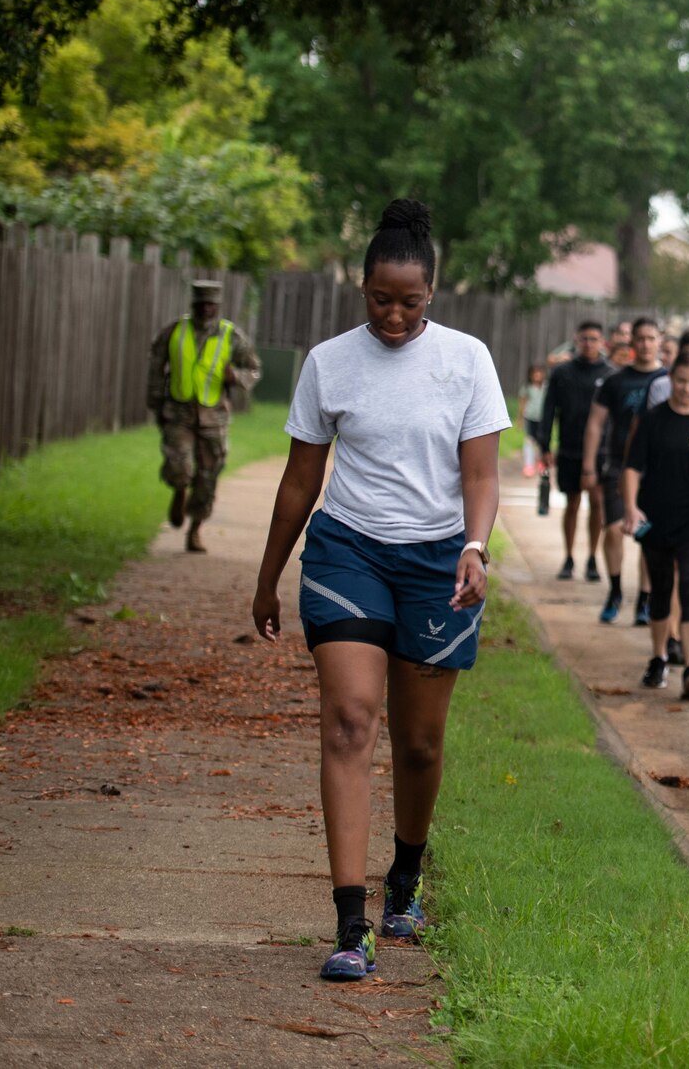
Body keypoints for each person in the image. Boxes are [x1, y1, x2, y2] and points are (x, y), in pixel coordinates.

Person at [249, 198, 506, 982]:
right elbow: (301, 477)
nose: (394, 315)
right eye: (380, 299)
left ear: (433, 292)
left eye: (410, 302)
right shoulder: (330, 361)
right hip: (347, 551)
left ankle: (407, 877)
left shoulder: (468, 359)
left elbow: (481, 473)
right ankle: (350, 921)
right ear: (361, 287)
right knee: (350, 723)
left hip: (437, 563)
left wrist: (473, 545)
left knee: (419, 743)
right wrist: (268, 576)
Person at [622, 351, 689, 696]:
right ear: (671, 379)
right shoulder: (653, 419)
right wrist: (631, 507)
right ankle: (658, 658)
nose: (686, 388)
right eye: (680, 381)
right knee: (661, 590)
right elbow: (632, 467)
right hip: (656, 518)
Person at [148, 279, 262, 552]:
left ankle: (195, 529)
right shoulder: (174, 331)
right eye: (201, 304)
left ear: (218, 306)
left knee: (208, 476)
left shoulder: (231, 335)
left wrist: (236, 376)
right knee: (179, 467)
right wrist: (155, 402)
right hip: (179, 412)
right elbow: (155, 365)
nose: (205, 310)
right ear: (193, 305)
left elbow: (254, 369)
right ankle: (179, 490)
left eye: (211, 305)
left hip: (213, 416)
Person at [583, 317, 665, 624]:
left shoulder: (669, 381)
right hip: (618, 464)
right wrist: (589, 466)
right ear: (631, 343)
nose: (645, 344)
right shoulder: (616, 381)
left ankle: (644, 600)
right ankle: (615, 590)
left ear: (660, 340)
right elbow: (595, 424)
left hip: (656, 470)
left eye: (651, 338)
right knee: (615, 529)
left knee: (648, 536)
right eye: (640, 338)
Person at [543, 322, 612, 582]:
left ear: (602, 342)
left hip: (601, 451)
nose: (589, 344)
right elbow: (549, 409)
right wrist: (544, 444)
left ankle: (593, 557)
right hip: (569, 447)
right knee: (571, 503)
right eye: (584, 339)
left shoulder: (609, 374)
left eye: (594, 339)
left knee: (597, 504)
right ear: (576, 340)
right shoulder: (562, 373)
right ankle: (569, 557)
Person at [521, 363, 549, 479]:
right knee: (529, 441)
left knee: (542, 441)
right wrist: (520, 418)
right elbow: (523, 402)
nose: (537, 375)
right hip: (530, 417)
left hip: (542, 418)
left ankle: (541, 462)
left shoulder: (546, 387)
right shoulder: (527, 387)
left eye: (539, 373)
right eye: (534, 373)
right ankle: (529, 465)